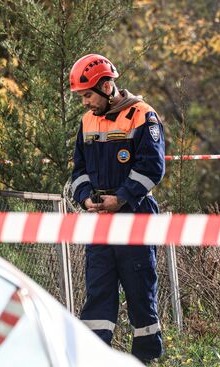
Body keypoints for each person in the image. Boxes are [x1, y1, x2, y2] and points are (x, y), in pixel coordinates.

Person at [69, 53, 165, 363]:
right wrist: (85, 197)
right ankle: (95, 358)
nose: (85, 102)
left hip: (134, 215)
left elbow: (153, 168)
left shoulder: (142, 116)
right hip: (99, 218)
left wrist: (121, 197)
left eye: (87, 95)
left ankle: (146, 358)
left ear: (107, 85)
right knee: (98, 292)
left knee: (140, 291)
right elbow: (78, 170)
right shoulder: (87, 121)